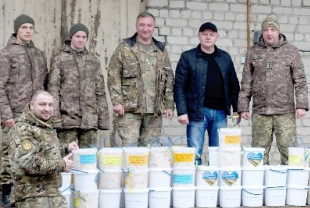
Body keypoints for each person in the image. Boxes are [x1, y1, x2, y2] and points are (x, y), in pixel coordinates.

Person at [0, 14, 48, 207]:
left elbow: (44, 85)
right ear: (17, 30)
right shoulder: (5, 54)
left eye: (31, 27)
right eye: (24, 27)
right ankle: (8, 192)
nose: (28, 31)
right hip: (14, 114)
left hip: (35, 115)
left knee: (35, 152)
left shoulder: (39, 55)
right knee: (10, 153)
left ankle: (29, 192)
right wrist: (6, 114)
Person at [238, 15, 309, 165]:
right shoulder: (253, 52)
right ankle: (259, 187)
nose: (269, 33)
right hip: (260, 112)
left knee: (289, 153)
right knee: (258, 155)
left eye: (272, 29)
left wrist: (302, 105)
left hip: (285, 112)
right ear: (262, 32)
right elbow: (246, 82)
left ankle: (289, 187)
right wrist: (243, 107)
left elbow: (300, 80)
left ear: (278, 31)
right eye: (266, 30)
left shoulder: (291, 51)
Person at [174, 22, 240, 165]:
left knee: (218, 155)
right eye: (205, 34)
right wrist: (182, 111)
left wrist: (237, 110)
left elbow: (234, 84)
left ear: (217, 37)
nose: (208, 37)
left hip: (220, 113)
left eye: (211, 34)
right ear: (199, 36)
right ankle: (193, 185)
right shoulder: (188, 57)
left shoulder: (225, 57)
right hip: (197, 112)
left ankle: (212, 186)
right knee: (194, 152)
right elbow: (179, 86)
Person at [107, 12, 174, 146]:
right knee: (130, 149)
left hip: (154, 111)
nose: (145, 28)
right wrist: (117, 101)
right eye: (142, 25)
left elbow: (168, 78)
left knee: (150, 150)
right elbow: (113, 74)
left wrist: (169, 105)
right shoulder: (125, 47)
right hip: (130, 110)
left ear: (154, 27)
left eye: (149, 25)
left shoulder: (161, 50)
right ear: (136, 26)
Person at [48, 23, 110, 148]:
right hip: (68, 119)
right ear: (71, 37)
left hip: (89, 120)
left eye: (84, 37)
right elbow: (53, 89)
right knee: (66, 155)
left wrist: (103, 119)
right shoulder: (60, 59)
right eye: (77, 36)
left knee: (88, 158)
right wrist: (55, 118)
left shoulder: (93, 60)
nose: (80, 40)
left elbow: (100, 91)